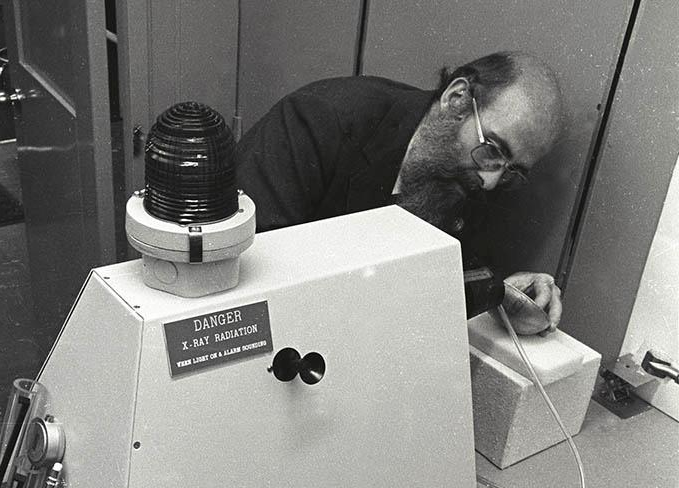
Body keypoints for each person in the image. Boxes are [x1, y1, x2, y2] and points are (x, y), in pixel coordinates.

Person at [236, 51, 565, 334]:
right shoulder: (316, 120)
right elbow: (250, 274)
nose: (490, 181)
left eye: (511, 171)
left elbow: (444, 275)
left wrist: (500, 293)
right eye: (492, 149)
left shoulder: (472, 174)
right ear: (457, 99)